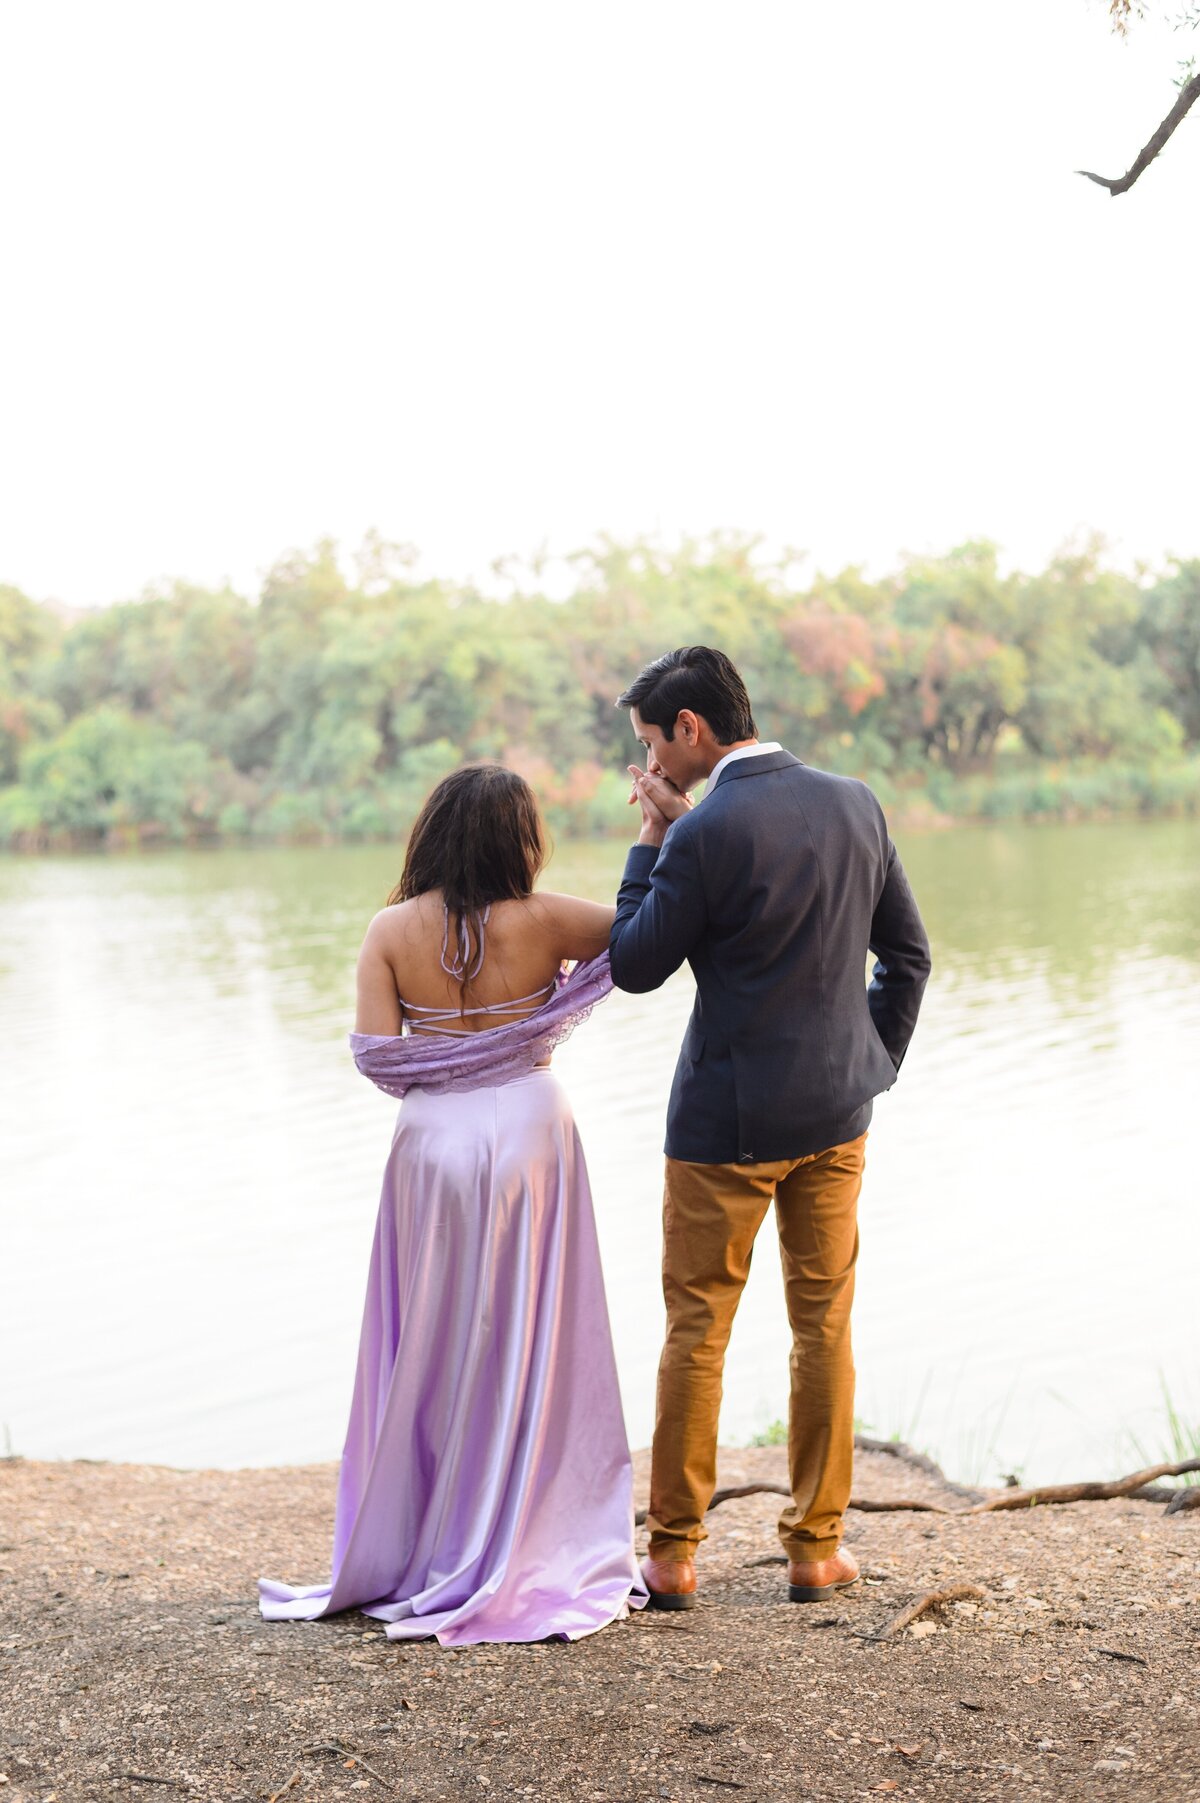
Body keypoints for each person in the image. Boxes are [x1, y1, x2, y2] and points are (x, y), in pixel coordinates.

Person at [259, 764, 645, 1644]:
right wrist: (655, 833)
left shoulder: (390, 929)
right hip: (532, 1134)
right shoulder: (548, 919)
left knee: (434, 1334)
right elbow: (643, 932)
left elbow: (373, 1054)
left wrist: (451, 1068)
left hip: (432, 1145)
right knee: (531, 1333)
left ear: (430, 832)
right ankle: (526, 1526)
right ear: (521, 838)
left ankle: (423, 1530)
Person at [609, 646, 931, 1610]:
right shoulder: (855, 801)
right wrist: (868, 1065)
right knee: (823, 1324)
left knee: (697, 1331)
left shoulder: (703, 832)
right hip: (837, 1117)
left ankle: (671, 1557)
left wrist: (652, 840)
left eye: (651, 745)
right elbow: (908, 957)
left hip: (723, 1128)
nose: (652, 764)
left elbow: (633, 961)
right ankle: (817, 1548)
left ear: (691, 729)